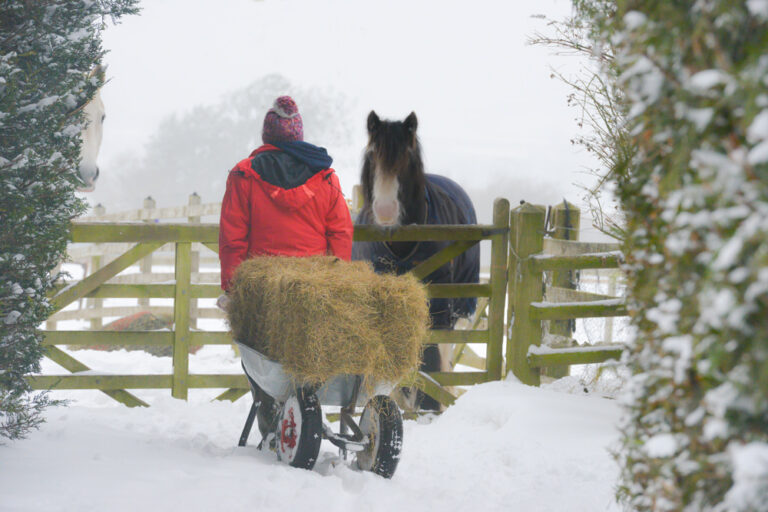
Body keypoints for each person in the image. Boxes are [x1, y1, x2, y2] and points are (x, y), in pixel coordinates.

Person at [218, 95, 354, 447]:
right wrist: (336, 277)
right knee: (310, 346)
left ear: (267, 135)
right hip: (314, 286)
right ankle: (301, 404)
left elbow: (233, 238)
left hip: (264, 289)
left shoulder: (244, 175)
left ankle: (270, 415)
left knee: (261, 350)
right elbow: (340, 231)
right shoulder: (324, 177)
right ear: (298, 136)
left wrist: (234, 288)